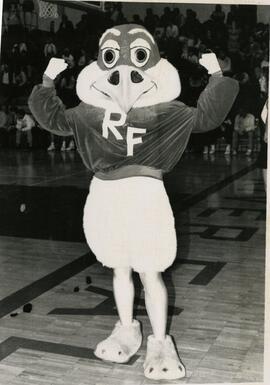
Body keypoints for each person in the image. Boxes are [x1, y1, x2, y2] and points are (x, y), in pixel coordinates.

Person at [29, 24, 239, 381]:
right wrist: (47, 83)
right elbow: (55, 119)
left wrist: (217, 75)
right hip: (106, 194)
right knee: (119, 267)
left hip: (145, 196)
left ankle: (160, 339)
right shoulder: (89, 112)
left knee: (150, 270)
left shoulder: (164, 110)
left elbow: (205, 116)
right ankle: (127, 326)